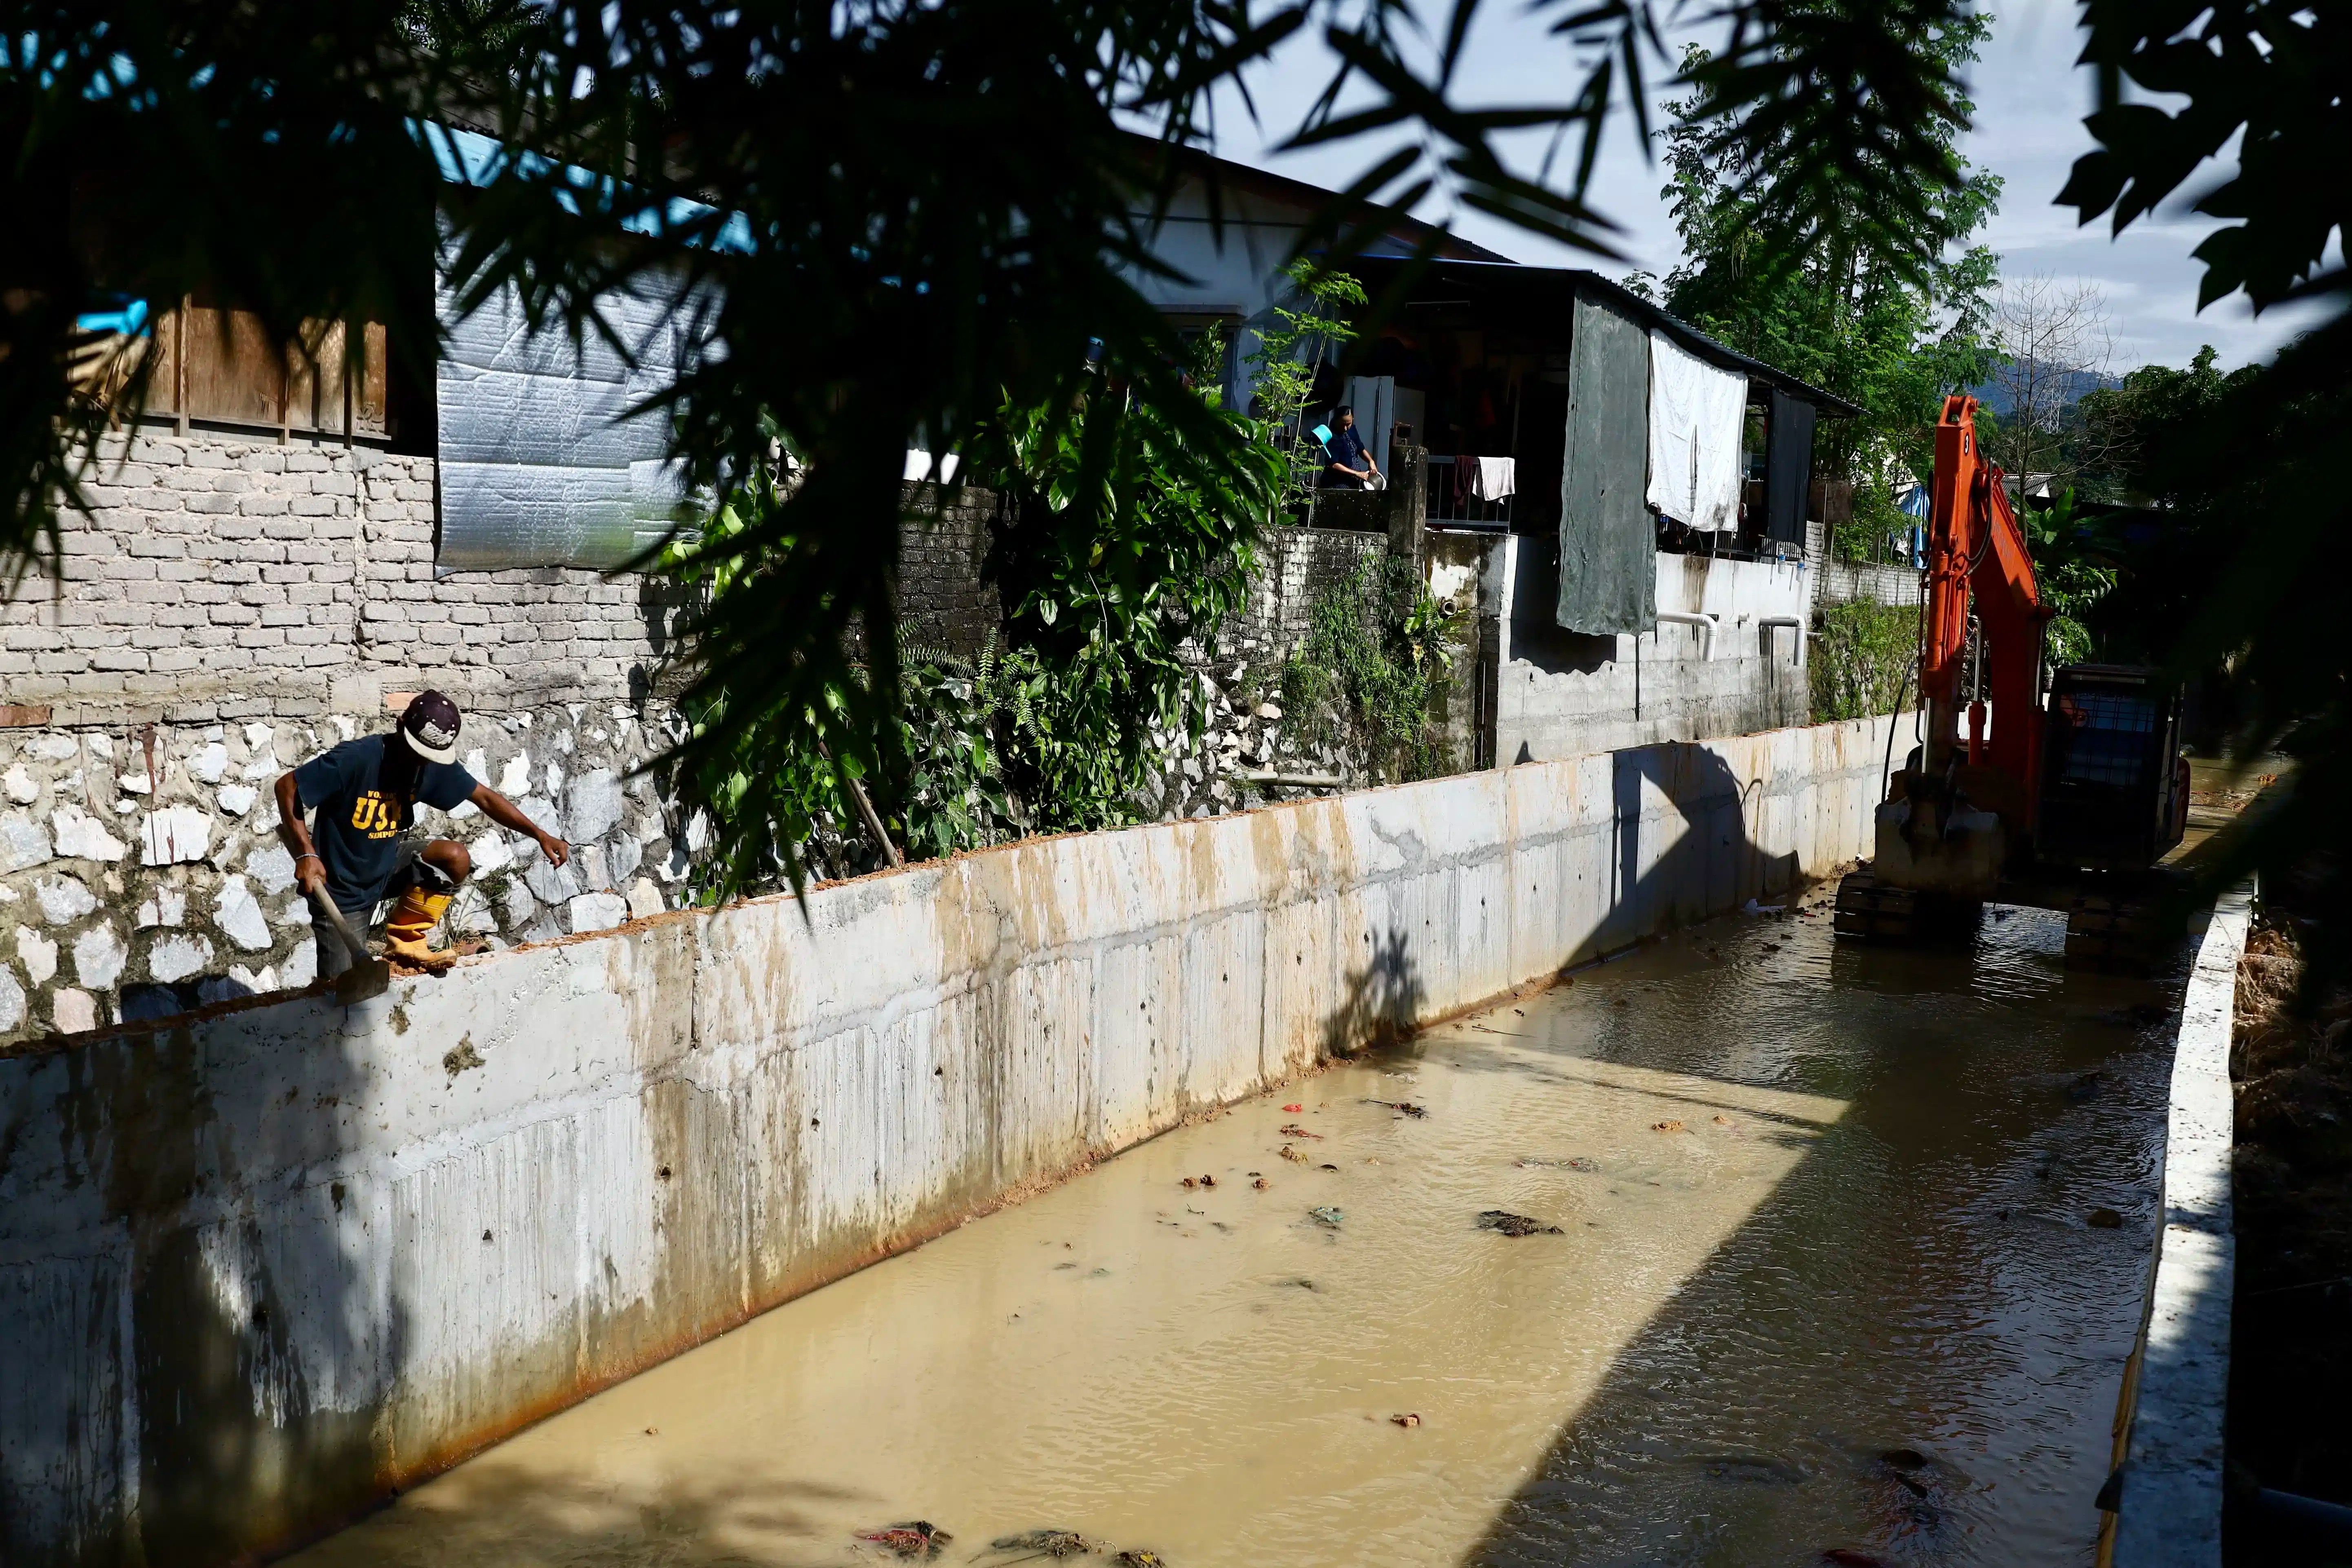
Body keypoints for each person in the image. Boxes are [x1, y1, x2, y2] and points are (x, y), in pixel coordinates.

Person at [274, 691, 569, 975]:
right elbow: (287, 787)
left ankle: (406, 943)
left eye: (428, 757)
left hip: (386, 866)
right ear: (400, 726)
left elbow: (485, 798)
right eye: (416, 752)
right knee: (341, 991)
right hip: (341, 889)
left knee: (454, 857)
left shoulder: (429, 762)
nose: (420, 761)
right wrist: (307, 854)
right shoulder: (357, 758)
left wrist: (539, 834)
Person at [1319, 405, 1382, 490]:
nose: (1345, 428)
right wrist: (1356, 473)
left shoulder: (1352, 430)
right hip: (1337, 482)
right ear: (1336, 421)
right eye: (1342, 424)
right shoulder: (1331, 437)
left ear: (1353, 419)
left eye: (1348, 424)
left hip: (1353, 479)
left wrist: (1371, 461)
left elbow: (1361, 449)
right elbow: (1333, 464)